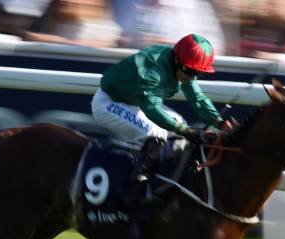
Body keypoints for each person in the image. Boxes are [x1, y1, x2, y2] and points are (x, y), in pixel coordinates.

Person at [91, 33, 230, 206]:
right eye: (189, 70)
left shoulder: (182, 65)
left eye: (198, 73)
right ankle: (135, 187)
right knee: (155, 131)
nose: (192, 77)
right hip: (108, 103)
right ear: (177, 59)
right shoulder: (153, 67)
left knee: (179, 124)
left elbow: (198, 99)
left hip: (134, 102)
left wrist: (220, 122)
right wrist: (187, 132)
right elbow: (152, 108)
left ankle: (167, 180)